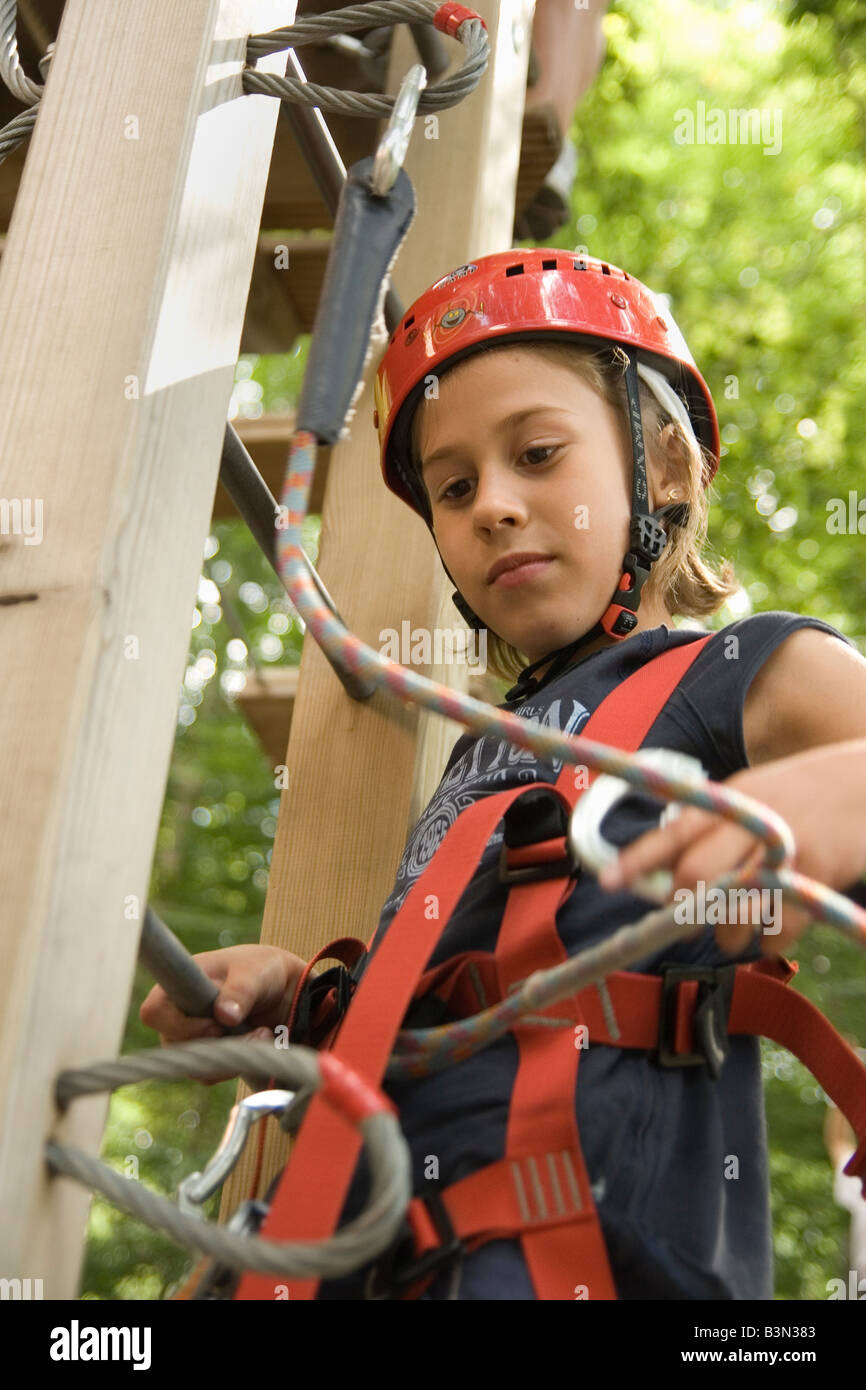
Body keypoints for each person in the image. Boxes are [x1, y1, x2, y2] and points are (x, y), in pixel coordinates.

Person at [141, 249, 866, 1299]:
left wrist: (840, 793)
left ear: (663, 467)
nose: (490, 505)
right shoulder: (478, 754)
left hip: (569, 1255)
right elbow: (485, 987)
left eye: (535, 453)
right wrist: (311, 996)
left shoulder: (739, 672)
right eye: (453, 485)